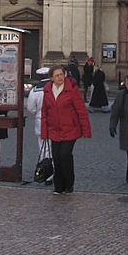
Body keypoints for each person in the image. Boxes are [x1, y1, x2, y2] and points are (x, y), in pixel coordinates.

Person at [41, 66, 92, 194]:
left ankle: (69, 184)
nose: (60, 77)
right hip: (54, 129)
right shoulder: (47, 90)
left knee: (65, 155)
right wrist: (44, 132)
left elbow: (81, 110)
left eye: (61, 74)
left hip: (70, 129)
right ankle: (58, 187)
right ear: (51, 78)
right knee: (56, 158)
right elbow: (44, 112)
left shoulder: (71, 90)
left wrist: (86, 130)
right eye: (57, 75)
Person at [26, 67, 53, 181]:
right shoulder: (56, 88)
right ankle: (54, 172)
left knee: (43, 147)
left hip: (40, 121)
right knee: (54, 148)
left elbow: (31, 109)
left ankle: (45, 171)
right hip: (56, 122)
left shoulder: (35, 90)